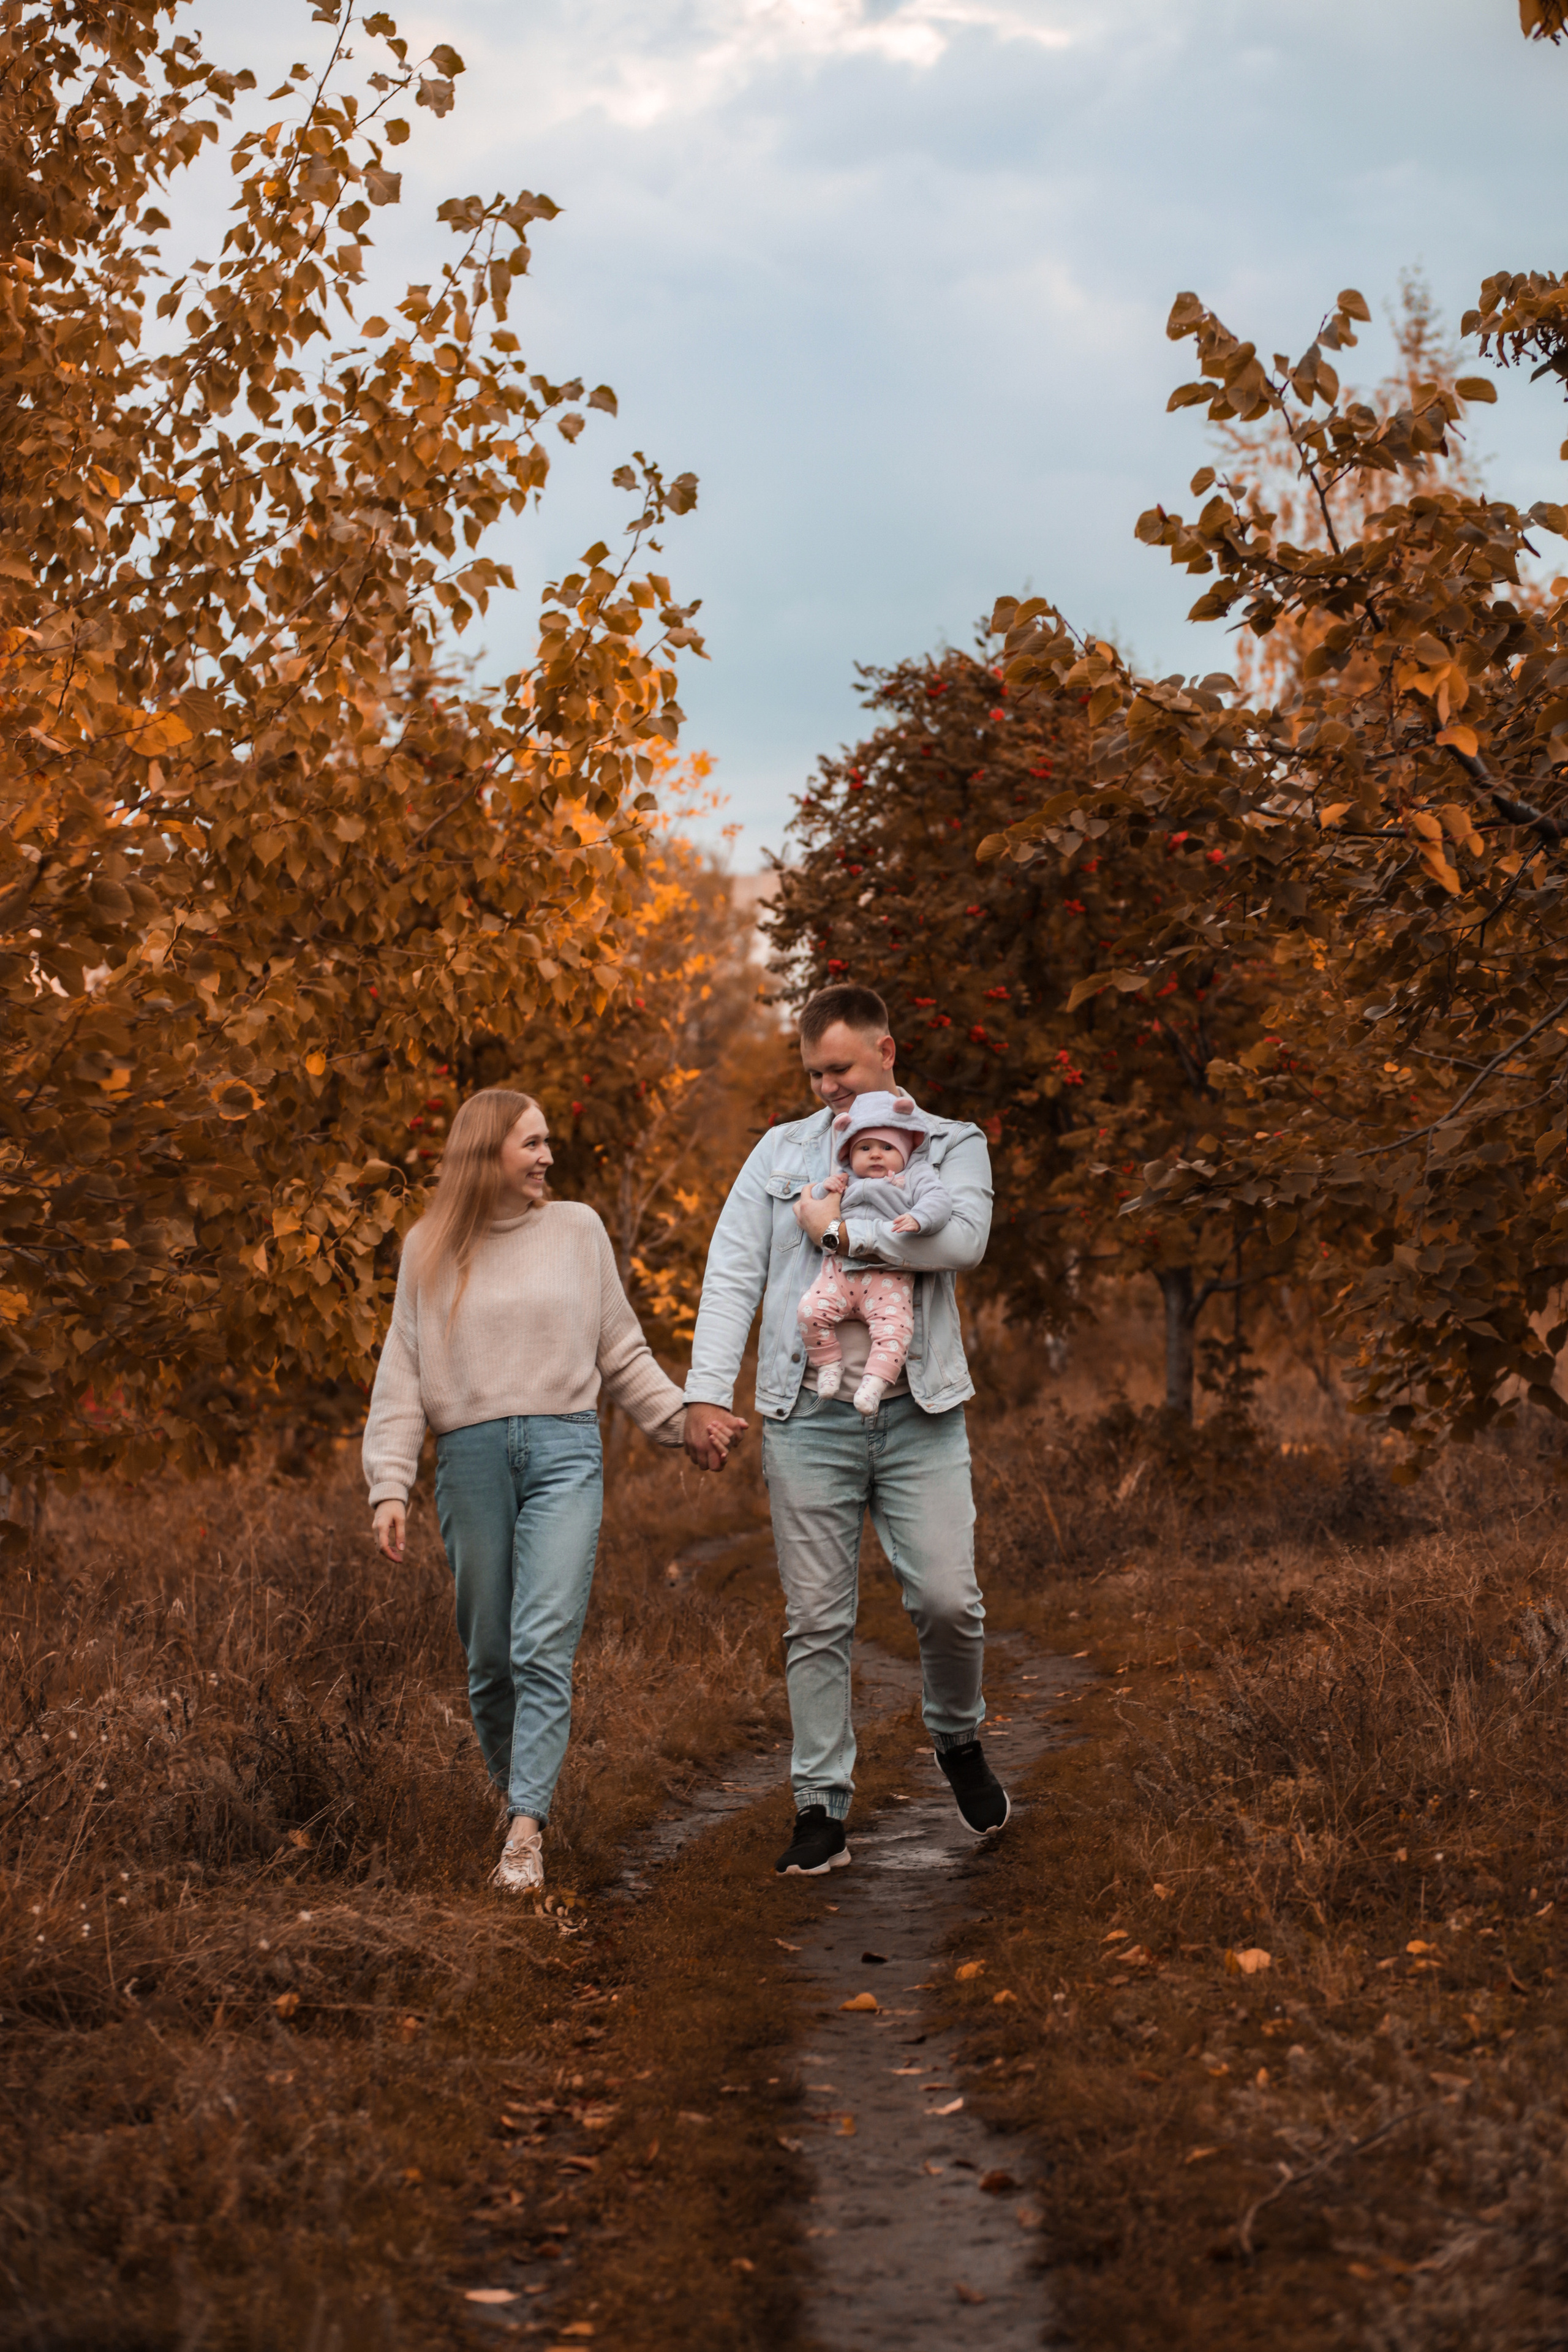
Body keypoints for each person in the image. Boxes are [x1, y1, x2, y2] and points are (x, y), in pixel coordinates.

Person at [682, 983, 1007, 1876]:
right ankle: (820, 1806)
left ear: (886, 1052)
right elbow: (732, 1272)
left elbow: (962, 1243)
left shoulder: (949, 1143)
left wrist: (845, 1239)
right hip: (807, 1416)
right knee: (817, 1620)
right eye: (814, 1073)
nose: (827, 1087)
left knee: (949, 1603)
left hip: (919, 1412)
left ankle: (957, 1735)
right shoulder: (781, 1154)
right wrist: (705, 1393)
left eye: (841, 1068)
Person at [363, 1087, 690, 1894]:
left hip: (564, 1453)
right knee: (489, 1658)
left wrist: (683, 1423)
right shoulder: (429, 1246)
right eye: (532, 1144)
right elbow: (402, 1370)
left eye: (546, 1142)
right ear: (487, 1154)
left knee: (541, 1644)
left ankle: (524, 1833)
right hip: (469, 1460)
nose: (548, 1157)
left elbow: (621, 1347)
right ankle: (522, 1794)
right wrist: (389, 1484)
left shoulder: (577, 1229)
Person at [796, 1089, 952, 1416]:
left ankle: (874, 1384)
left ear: (906, 1150)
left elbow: (939, 1201)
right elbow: (814, 1206)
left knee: (895, 1331)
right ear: (849, 1153)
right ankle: (828, 1364)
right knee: (810, 1311)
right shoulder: (844, 1179)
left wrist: (919, 1218)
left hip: (888, 1279)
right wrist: (826, 1188)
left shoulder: (915, 1176)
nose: (876, 1155)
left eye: (887, 1147)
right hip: (839, 1274)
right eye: (864, 1148)